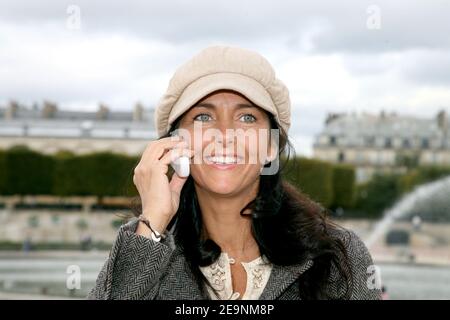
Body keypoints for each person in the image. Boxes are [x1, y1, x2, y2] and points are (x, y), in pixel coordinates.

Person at [88, 45, 381, 300]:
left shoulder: (338, 255)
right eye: (203, 117)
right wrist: (152, 222)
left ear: (270, 147)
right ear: (175, 144)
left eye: (247, 117)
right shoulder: (143, 246)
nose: (225, 134)